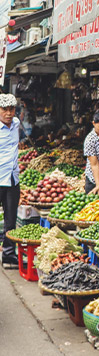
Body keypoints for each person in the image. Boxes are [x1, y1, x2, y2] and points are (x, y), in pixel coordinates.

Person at [0, 94, 20, 266]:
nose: (8, 113)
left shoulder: (16, 124)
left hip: (12, 179)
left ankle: (8, 254)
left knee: (11, 219)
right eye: (4, 109)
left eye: (11, 109)